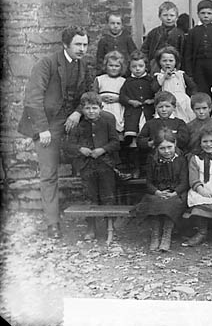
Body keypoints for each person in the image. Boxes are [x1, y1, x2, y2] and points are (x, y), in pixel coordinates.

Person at [18, 26, 92, 238]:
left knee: (89, 161)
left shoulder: (83, 65)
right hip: (47, 124)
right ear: (65, 44)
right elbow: (33, 99)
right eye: (78, 44)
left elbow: (88, 92)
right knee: (49, 173)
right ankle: (52, 223)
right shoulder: (47, 63)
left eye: (85, 44)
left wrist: (78, 112)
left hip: (70, 123)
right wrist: (42, 129)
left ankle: (92, 221)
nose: (82, 49)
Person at [64, 92, 119, 241]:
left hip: (105, 163)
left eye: (94, 108)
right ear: (82, 109)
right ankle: (91, 227)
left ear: (101, 108)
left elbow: (115, 142)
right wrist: (80, 149)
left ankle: (110, 227)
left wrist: (102, 149)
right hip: (86, 165)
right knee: (90, 196)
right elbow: (68, 145)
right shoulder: (78, 123)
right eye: (87, 108)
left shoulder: (108, 119)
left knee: (108, 195)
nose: (91, 111)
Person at [134, 129, 189, 251]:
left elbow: (184, 182)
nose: (167, 151)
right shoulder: (152, 160)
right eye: (162, 148)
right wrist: (157, 192)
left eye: (169, 147)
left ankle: (166, 235)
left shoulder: (181, 159)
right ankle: (155, 235)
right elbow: (148, 182)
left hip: (176, 192)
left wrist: (174, 193)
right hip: (158, 192)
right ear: (156, 148)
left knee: (171, 203)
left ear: (175, 143)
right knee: (154, 202)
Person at [119, 50, 156, 178]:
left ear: (146, 66)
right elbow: (122, 97)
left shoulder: (150, 80)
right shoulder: (128, 82)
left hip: (147, 114)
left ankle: (149, 171)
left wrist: (152, 100)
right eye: (134, 67)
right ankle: (136, 169)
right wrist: (130, 101)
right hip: (133, 115)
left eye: (140, 66)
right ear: (129, 68)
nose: (137, 69)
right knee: (133, 142)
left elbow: (157, 93)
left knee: (148, 141)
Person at [152, 46, 197, 123]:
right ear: (159, 62)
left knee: (184, 120)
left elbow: (192, 86)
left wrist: (192, 97)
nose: (167, 63)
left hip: (182, 102)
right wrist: (164, 78)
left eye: (171, 61)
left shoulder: (180, 74)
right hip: (167, 102)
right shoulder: (158, 76)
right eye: (164, 61)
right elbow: (154, 89)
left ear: (175, 62)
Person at [141, 1, 184, 72]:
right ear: (159, 16)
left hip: (174, 68)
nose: (169, 18)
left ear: (176, 17)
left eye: (172, 15)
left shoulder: (180, 34)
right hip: (155, 68)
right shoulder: (153, 33)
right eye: (165, 15)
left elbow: (183, 53)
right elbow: (144, 51)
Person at [93, 50, 126, 134]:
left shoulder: (123, 81)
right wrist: (100, 98)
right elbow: (93, 95)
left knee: (116, 126)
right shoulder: (99, 79)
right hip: (103, 106)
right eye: (111, 65)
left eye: (117, 66)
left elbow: (127, 96)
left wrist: (118, 99)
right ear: (106, 66)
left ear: (121, 67)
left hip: (117, 107)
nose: (113, 68)